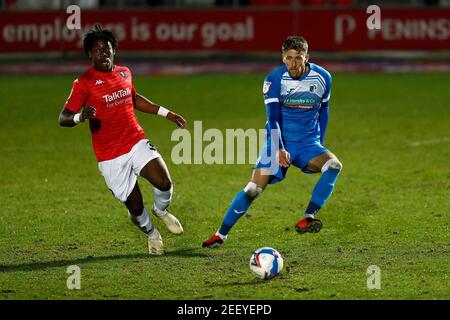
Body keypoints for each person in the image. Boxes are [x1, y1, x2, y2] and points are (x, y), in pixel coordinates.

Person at [202, 36, 342, 248]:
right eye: (289, 58)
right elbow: (273, 119)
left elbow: (324, 109)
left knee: (333, 166)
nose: (293, 64)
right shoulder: (274, 80)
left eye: (298, 58)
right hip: (278, 140)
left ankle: (309, 217)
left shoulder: (323, 77)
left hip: (307, 144)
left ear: (307, 57)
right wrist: (279, 149)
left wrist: (319, 141)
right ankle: (220, 235)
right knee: (252, 190)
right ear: (282, 57)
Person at [59, 25, 187, 255]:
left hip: (135, 140)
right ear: (90, 54)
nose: (103, 53)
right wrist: (80, 116)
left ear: (114, 50)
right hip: (109, 155)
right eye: (97, 50)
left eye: (106, 48)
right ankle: (152, 234)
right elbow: (63, 117)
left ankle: (161, 211)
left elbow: (134, 99)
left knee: (164, 182)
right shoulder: (83, 83)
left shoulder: (124, 72)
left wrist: (167, 113)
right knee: (136, 207)